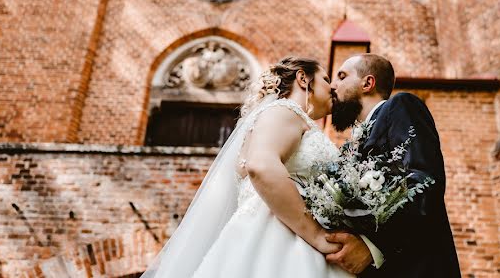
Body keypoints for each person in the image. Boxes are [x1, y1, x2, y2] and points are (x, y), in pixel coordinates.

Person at [139, 56, 352, 278]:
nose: (333, 87)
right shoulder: (285, 111)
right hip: (279, 238)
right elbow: (261, 166)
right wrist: (316, 235)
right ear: (302, 78)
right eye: (326, 79)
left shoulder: (280, 118)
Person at [325, 53, 461, 277]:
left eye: (341, 76)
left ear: (367, 83)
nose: (333, 85)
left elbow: (424, 182)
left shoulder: (401, 106)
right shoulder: (348, 149)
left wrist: (374, 247)